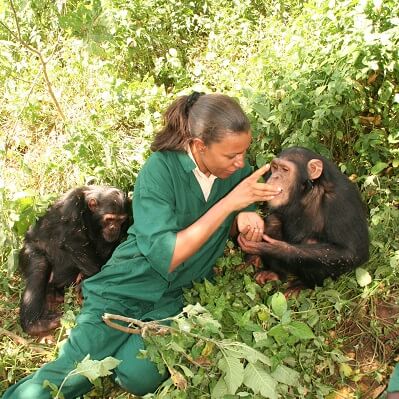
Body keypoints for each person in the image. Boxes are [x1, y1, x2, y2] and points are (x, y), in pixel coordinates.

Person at [2, 92, 282, 399]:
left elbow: (239, 202)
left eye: (244, 153)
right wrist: (230, 203)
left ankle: (116, 352)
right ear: (200, 146)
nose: (241, 163)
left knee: (136, 376)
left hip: (175, 298)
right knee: (74, 372)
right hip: (126, 287)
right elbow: (170, 253)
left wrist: (246, 214)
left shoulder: (235, 168)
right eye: (232, 156)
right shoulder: (160, 171)